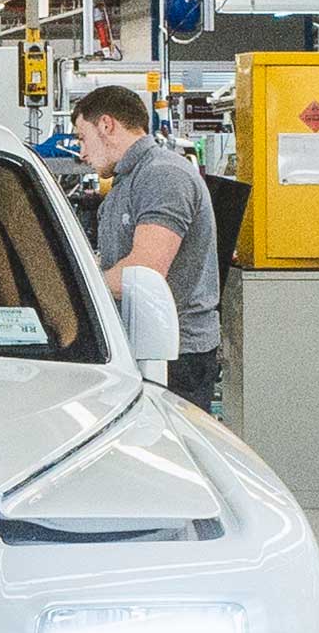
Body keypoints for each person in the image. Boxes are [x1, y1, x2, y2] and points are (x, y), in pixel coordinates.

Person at [71, 83, 224, 411]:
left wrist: (72, 290)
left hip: (174, 355)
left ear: (106, 125)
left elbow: (144, 273)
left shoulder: (162, 175)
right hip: (146, 345)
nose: (82, 153)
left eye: (82, 138)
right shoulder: (129, 178)